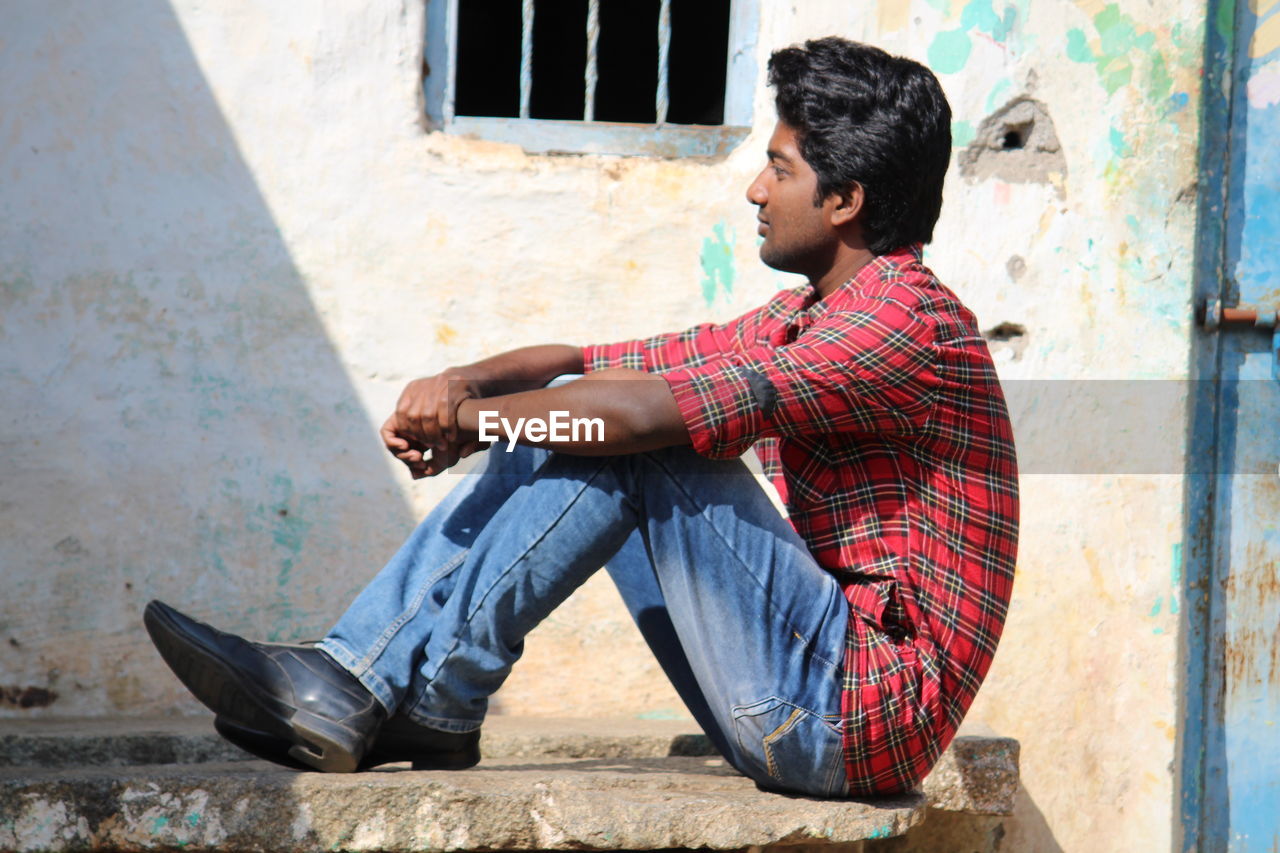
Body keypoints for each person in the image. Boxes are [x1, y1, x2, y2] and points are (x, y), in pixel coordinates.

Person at [144, 36, 1018, 798]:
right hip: (809, 692)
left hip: (854, 715)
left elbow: (638, 416)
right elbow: (587, 366)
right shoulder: (808, 318)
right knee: (588, 413)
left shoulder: (905, 322)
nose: (755, 188)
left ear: (845, 200)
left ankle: (370, 679)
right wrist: (466, 383)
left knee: (636, 437)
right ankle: (419, 698)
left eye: (781, 168)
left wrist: (480, 425)